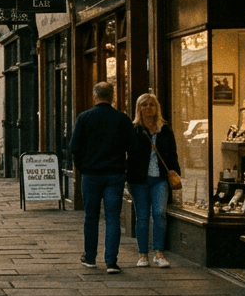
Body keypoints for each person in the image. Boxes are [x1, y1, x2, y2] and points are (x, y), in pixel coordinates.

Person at [69, 81, 135, 274]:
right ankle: (111, 261)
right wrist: (124, 168)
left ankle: (90, 257)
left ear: (94, 96)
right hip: (114, 175)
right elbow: (132, 148)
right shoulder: (122, 119)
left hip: (91, 174)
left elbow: (75, 148)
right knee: (113, 217)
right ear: (112, 96)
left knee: (91, 217)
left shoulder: (84, 118)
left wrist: (83, 168)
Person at [127, 93, 178, 268]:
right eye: (144, 105)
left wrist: (174, 173)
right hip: (139, 180)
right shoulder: (133, 129)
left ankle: (158, 252)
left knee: (159, 214)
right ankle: (143, 254)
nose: (148, 108)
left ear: (157, 108)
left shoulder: (165, 129)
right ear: (139, 108)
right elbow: (128, 155)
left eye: (151, 105)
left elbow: (172, 153)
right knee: (142, 217)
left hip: (160, 179)